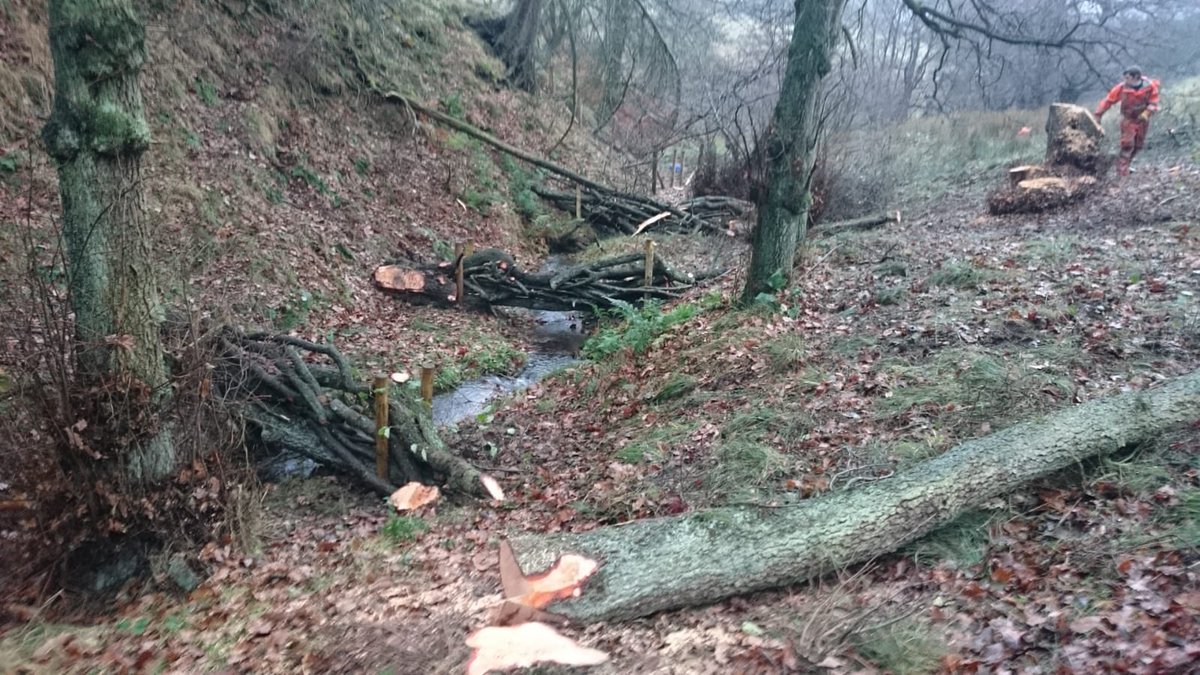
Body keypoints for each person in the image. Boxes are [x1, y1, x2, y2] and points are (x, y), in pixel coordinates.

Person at [1094, 66, 1160, 176]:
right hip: (1128, 119)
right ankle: (1122, 172)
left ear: (1136, 77)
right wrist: (1098, 114)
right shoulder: (1122, 88)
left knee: (1138, 145)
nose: (1126, 81)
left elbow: (1154, 102)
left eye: (1128, 78)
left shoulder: (1150, 86)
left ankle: (1126, 165)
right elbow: (1108, 101)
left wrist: (1147, 113)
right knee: (1127, 144)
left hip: (1142, 120)